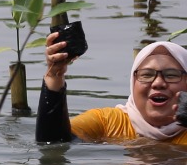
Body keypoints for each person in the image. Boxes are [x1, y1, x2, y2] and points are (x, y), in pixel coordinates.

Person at [37, 38, 187, 146]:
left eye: (171, 75)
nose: (158, 83)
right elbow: (54, 142)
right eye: (146, 75)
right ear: (133, 82)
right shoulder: (108, 122)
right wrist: (54, 76)